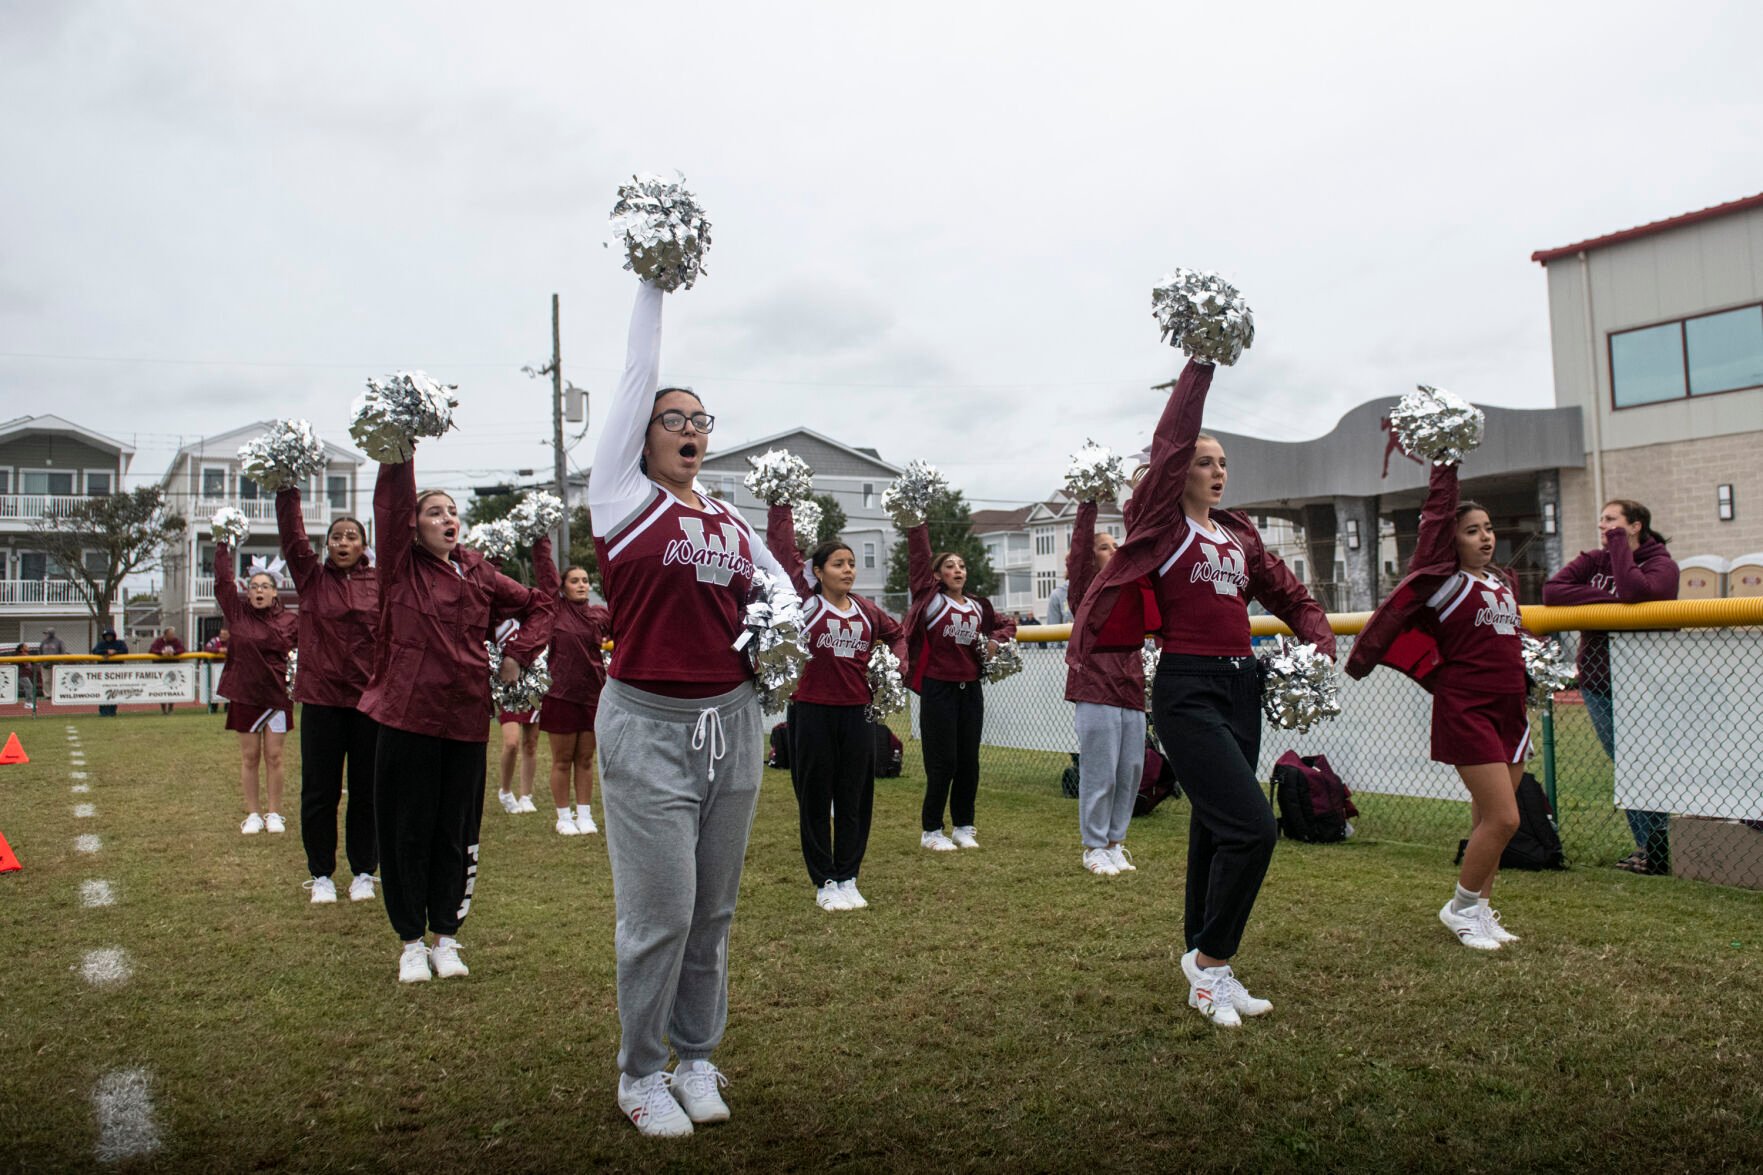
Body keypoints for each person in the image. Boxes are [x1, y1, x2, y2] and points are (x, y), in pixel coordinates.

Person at [1070, 359, 1334, 1028]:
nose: (1217, 471)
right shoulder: (1157, 524)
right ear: (1177, 472)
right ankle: (1212, 960)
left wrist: (1318, 642)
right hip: (1184, 686)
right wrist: (1201, 364)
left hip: (1240, 683)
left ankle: (1204, 962)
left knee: (1215, 829)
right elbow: (1167, 444)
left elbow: (1290, 594)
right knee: (1252, 826)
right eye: (1204, 461)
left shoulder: (1238, 533)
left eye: (1223, 463)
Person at [589, 278, 794, 1137]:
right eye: (674, 419)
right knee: (660, 911)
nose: (689, 430)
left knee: (711, 909)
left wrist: (781, 625)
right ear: (643, 437)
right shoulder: (621, 498)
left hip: (733, 726)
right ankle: (640, 1071)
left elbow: (781, 587)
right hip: (648, 726)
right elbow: (639, 368)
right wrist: (651, 280)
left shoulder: (730, 520)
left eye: (701, 421)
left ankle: (696, 1055)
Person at [356, 451, 552, 984]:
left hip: (465, 721)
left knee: (456, 832)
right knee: (406, 832)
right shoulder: (399, 565)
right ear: (413, 528)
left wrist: (518, 654)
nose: (448, 519)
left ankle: (447, 935)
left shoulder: (478, 570)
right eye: (434, 512)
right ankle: (410, 943)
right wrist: (402, 452)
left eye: (452, 511)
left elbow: (540, 605)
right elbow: (391, 506)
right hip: (406, 719)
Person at [1348, 461, 1528, 952]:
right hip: (1466, 708)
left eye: (1488, 529)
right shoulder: (1445, 583)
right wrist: (1445, 461)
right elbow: (1433, 525)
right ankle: (1461, 907)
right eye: (1472, 531)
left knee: (1487, 821)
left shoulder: (1502, 584)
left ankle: (1481, 909)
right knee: (1506, 818)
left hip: (1512, 710)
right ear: (1453, 542)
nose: (1485, 538)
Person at [765, 502, 908, 911]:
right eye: (838, 564)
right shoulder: (805, 604)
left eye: (851, 564)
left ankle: (848, 875)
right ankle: (825, 880)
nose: (848, 569)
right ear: (818, 571)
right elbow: (781, 550)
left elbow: (898, 634)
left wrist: (895, 666)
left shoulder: (866, 610)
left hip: (857, 713)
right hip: (811, 711)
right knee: (814, 797)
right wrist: (780, 506)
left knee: (855, 797)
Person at [1543, 499, 1679, 874]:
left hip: (1646, 683)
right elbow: (1552, 592)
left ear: (1636, 525)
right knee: (1627, 764)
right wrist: (1613, 599)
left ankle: (1663, 847)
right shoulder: (1592, 560)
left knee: (1649, 762)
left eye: (1613, 521)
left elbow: (1638, 590)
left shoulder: (1661, 564)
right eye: (1601, 519)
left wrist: (1620, 548)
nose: (1603, 526)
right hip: (1599, 681)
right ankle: (1649, 849)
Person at [277, 487, 382, 905]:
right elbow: (292, 536)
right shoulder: (311, 579)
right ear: (326, 546)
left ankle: (363, 872)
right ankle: (321, 874)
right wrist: (288, 486)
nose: (343, 543)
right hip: (321, 698)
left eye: (351, 536)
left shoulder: (381, 582)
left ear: (364, 544)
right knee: (319, 791)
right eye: (336, 537)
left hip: (368, 702)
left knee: (366, 791)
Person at [902, 519, 1017, 853]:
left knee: (969, 760)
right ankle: (932, 830)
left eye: (962, 566)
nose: (958, 570)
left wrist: (996, 639)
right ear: (936, 575)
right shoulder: (932, 601)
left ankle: (964, 826)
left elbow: (1007, 624)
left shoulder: (978, 606)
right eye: (949, 566)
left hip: (970, 689)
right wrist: (916, 523)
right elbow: (918, 560)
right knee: (943, 761)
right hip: (938, 688)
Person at [1064, 501, 1144, 877]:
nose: (1113, 550)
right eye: (1103, 546)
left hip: (1131, 684)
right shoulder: (1084, 590)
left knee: (1130, 768)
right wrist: (1088, 504)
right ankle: (1094, 847)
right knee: (1101, 771)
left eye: (1115, 545)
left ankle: (1115, 843)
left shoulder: (1134, 584)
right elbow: (1079, 550)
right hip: (1095, 684)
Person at [213, 544, 298, 836]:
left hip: (276, 697)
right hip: (245, 695)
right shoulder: (238, 615)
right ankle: (253, 814)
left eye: (265, 587)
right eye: (254, 586)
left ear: (276, 592)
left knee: (274, 757)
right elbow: (223, 584)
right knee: (249, 757)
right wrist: (222, 545)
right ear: (247, 592)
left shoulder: (290, 620)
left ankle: (274, 812)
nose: (259, 591)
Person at [531, 534, 610, 839]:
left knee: (586, 759)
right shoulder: (555, 609)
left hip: (592, 695)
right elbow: (544, 570)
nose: (580, 584)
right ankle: (563, 816)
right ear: (562, 586)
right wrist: (542, 538)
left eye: (585, 580)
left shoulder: (600, 614)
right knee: (563, 760)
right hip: (561, 694)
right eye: (574, 580)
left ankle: (585, 814)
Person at [492, 618, 544, 819]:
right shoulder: (496, 625)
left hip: (531, 687)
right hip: (506, 689)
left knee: (531, 743)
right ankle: (505, 791)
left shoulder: (529, 622)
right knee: (512, 743)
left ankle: (526, 795)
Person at [148, 627, 186, 715]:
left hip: (173, 668)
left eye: (173, 634)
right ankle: (163, 709)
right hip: (161, 668)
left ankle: (171, 708)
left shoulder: (176, 641)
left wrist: (174, 652)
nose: (172, 636)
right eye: (170, 634)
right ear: (165, 635)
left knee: (172, 688)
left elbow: (182, 649)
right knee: (162, 689)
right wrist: (161, 653)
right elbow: (152, 650)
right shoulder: (159, 641)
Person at [92, 628, 129, 716]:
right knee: (103, 691)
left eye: (110, 636)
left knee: (114, 691)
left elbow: (125, 651)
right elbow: (95, 651)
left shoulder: (119, 643)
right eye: (107, 636)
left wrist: (115, 652)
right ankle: (103, 711)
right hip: (103, 672)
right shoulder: (101, 644)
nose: (109, 637)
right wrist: (106, 652)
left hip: (116, 672)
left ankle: (112, 711)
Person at [204, 627, 230, 713]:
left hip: (229, 669)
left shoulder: (232, 641)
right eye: (221, 634)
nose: (222, 636)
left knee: (228, 689)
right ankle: (213, 708)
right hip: (215, 669)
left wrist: (228, 650)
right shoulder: (214, 640)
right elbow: (207, 648)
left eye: (225, 634)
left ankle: (227, 708)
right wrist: (218, 650)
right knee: (214, 688)